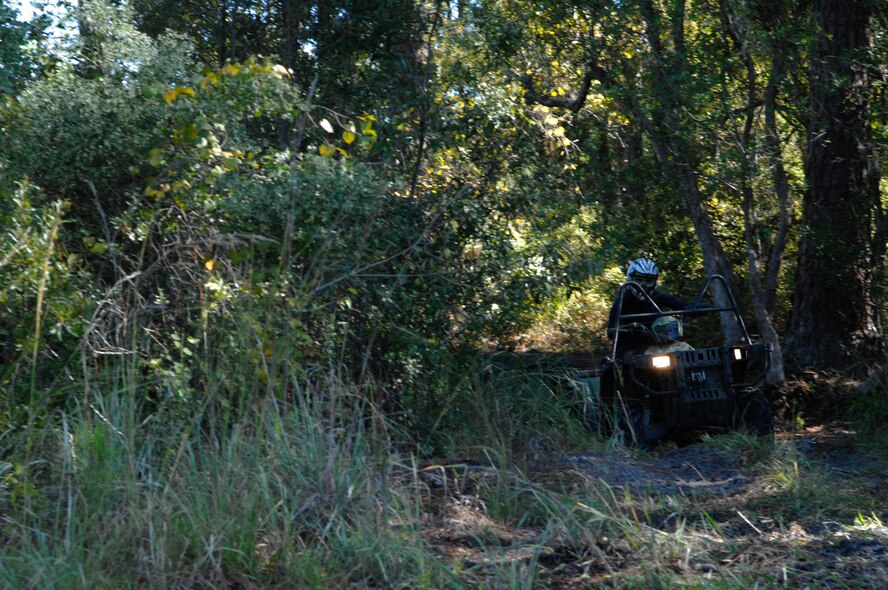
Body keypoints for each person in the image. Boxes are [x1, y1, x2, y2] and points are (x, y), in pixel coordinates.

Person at [606, 257, 690, 358]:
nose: (644, 285)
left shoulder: (658, 296)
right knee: (645, 359)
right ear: (630, 279)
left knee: (686, 350)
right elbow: (611, 332)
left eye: (648, 281)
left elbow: (681, 305)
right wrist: (630, 329)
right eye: (639, 280)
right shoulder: (622, 300)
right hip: (630, 347)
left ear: (654, 282)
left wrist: (693, 308)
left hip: (658, 344)